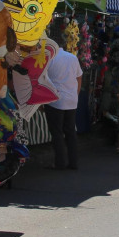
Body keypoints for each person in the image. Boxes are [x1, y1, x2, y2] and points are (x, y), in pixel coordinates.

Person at [43, 42, 83, 170]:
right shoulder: (72, 57)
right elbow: (79, 76)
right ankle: (73, 162)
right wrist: (75, 93)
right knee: (71, 132)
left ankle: (59, 162)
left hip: (55, 101)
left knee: (57, 133)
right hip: (71, 100)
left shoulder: (49, 59)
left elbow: (43, 80)